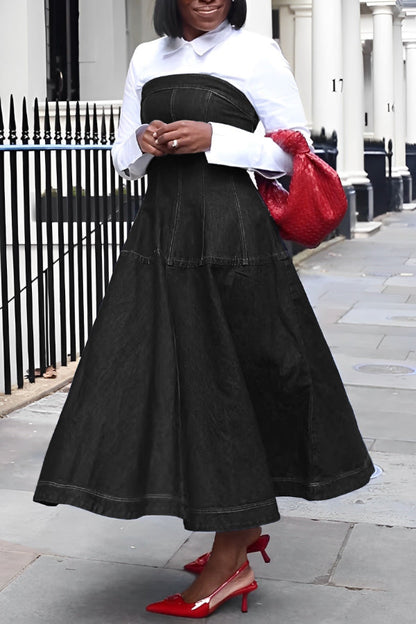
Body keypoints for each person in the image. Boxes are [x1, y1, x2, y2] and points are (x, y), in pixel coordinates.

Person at [34, 0, 374, 618]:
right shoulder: (148, 55)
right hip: (162, 238)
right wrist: (142, 141)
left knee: (229, 386)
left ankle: (228, 562)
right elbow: (118, 156)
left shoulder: (257, 53)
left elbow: (292, 156)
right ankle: (239, 532)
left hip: (232, 239)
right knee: (162, 380)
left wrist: (215, 138)